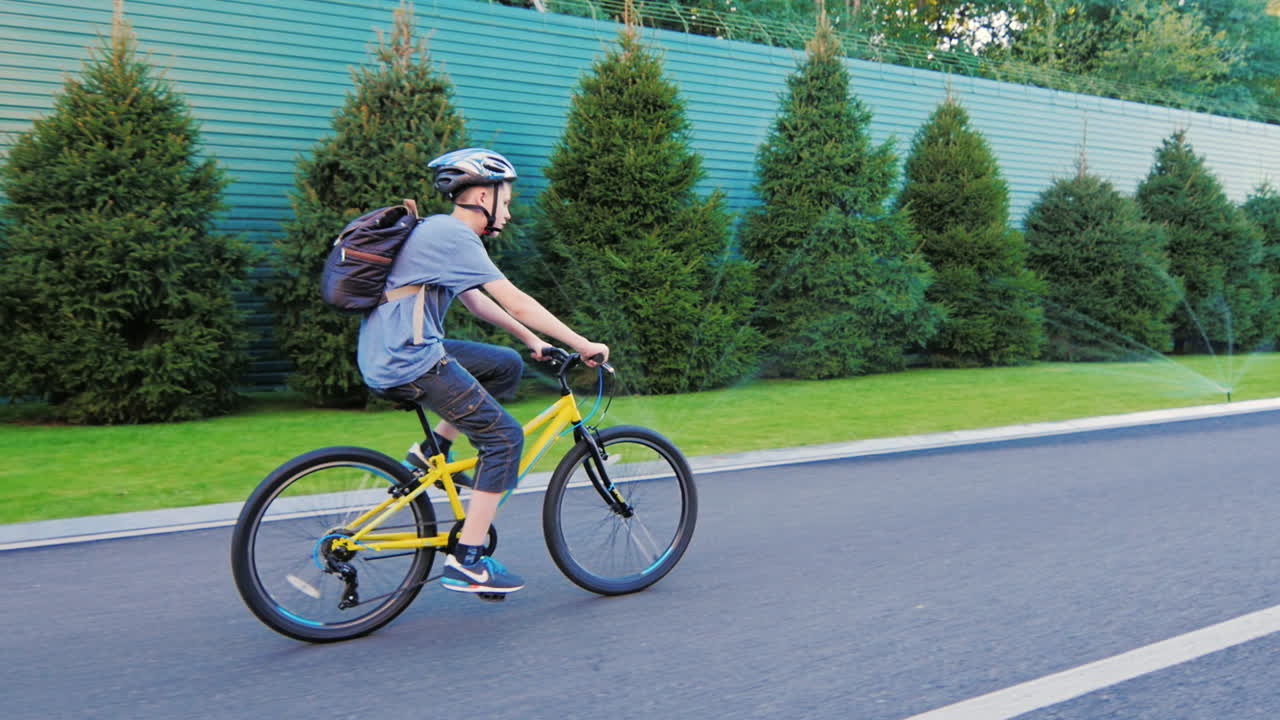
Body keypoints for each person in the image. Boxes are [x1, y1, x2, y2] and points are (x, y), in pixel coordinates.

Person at [358, 147, 609, 596]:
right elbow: (515, 299)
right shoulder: (453, 236)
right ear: (480, 195)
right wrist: (582, 343)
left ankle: (432, 450)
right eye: (506, 201)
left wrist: (532, 342)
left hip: (396, 351)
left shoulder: (440, 233)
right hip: (409, 359)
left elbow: (478, 301)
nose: (508, 212)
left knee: (503, 365)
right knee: (505, 438)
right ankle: (468, 559)